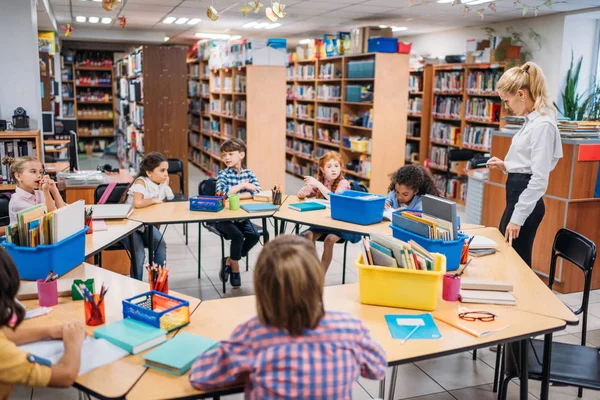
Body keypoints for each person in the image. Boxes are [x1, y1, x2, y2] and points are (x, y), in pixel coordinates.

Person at [189, 235, 387, 399]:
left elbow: (200, 377)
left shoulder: (252, 334)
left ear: (262, 287)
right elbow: (377, 368)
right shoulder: (349, 328)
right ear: (318, 280)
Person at [487, 62, 562, 267]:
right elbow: (527, 162)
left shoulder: (543, 125)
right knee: (508, 257)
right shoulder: (531, 120)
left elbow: (538, 179)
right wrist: (507, 165)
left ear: (520, 94)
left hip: (525, 203)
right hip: (516, 197)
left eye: (506, 100)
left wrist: (518, 218)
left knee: (517, 264)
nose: (506, 106)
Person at [0, 247, 86, 398]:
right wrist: (73, 343)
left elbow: (5, 334)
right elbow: (65, 376)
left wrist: (49, 331)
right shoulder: (4, 354)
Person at [298, 151, 360, 271]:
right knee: (307, 236)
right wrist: (302, 193)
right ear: (322, 169)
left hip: (340, 223)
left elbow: (334, 199)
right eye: (329, 166)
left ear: (341, 168)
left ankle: (321, 275)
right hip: (324, 221)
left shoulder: (343, 183)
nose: (333, 170)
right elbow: (307, 192)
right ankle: (314, 270)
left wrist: (318, 184)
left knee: (329, 239)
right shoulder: (321, 181)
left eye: (336, 166)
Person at [216, 138, 262, 288]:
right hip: (223, 218)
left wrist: (236, 195)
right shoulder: (223, 174)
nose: (226, 158)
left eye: (230, 154)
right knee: (237, 236)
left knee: (254, 235)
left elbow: (258, 192)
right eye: (224, 155)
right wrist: (243, 186)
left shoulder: (249, 173)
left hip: (241, 217)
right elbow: (222, 194)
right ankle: (235, 269)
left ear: (241, 155)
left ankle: (229, 260)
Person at [124, 152, 173, 279]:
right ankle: (136, 286)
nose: (166, 174)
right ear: (149, 173)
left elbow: (161, 203)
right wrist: (152, 200)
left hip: (146, 224)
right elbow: (137, 203)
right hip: (130, 225)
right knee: (139, 254)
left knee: (161, 244)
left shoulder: (162, 182)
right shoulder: (141, 182)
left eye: (167, 170)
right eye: (162, 170)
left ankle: (159, 283)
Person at [8, 156, 66, 224]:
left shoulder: (39, 193)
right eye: (33, 172)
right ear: (18, 176)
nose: (39, 175)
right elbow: (53, 219)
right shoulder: (17, 203)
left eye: (40, 172)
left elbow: (62, 212)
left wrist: (54, 190)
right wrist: (46, 192)